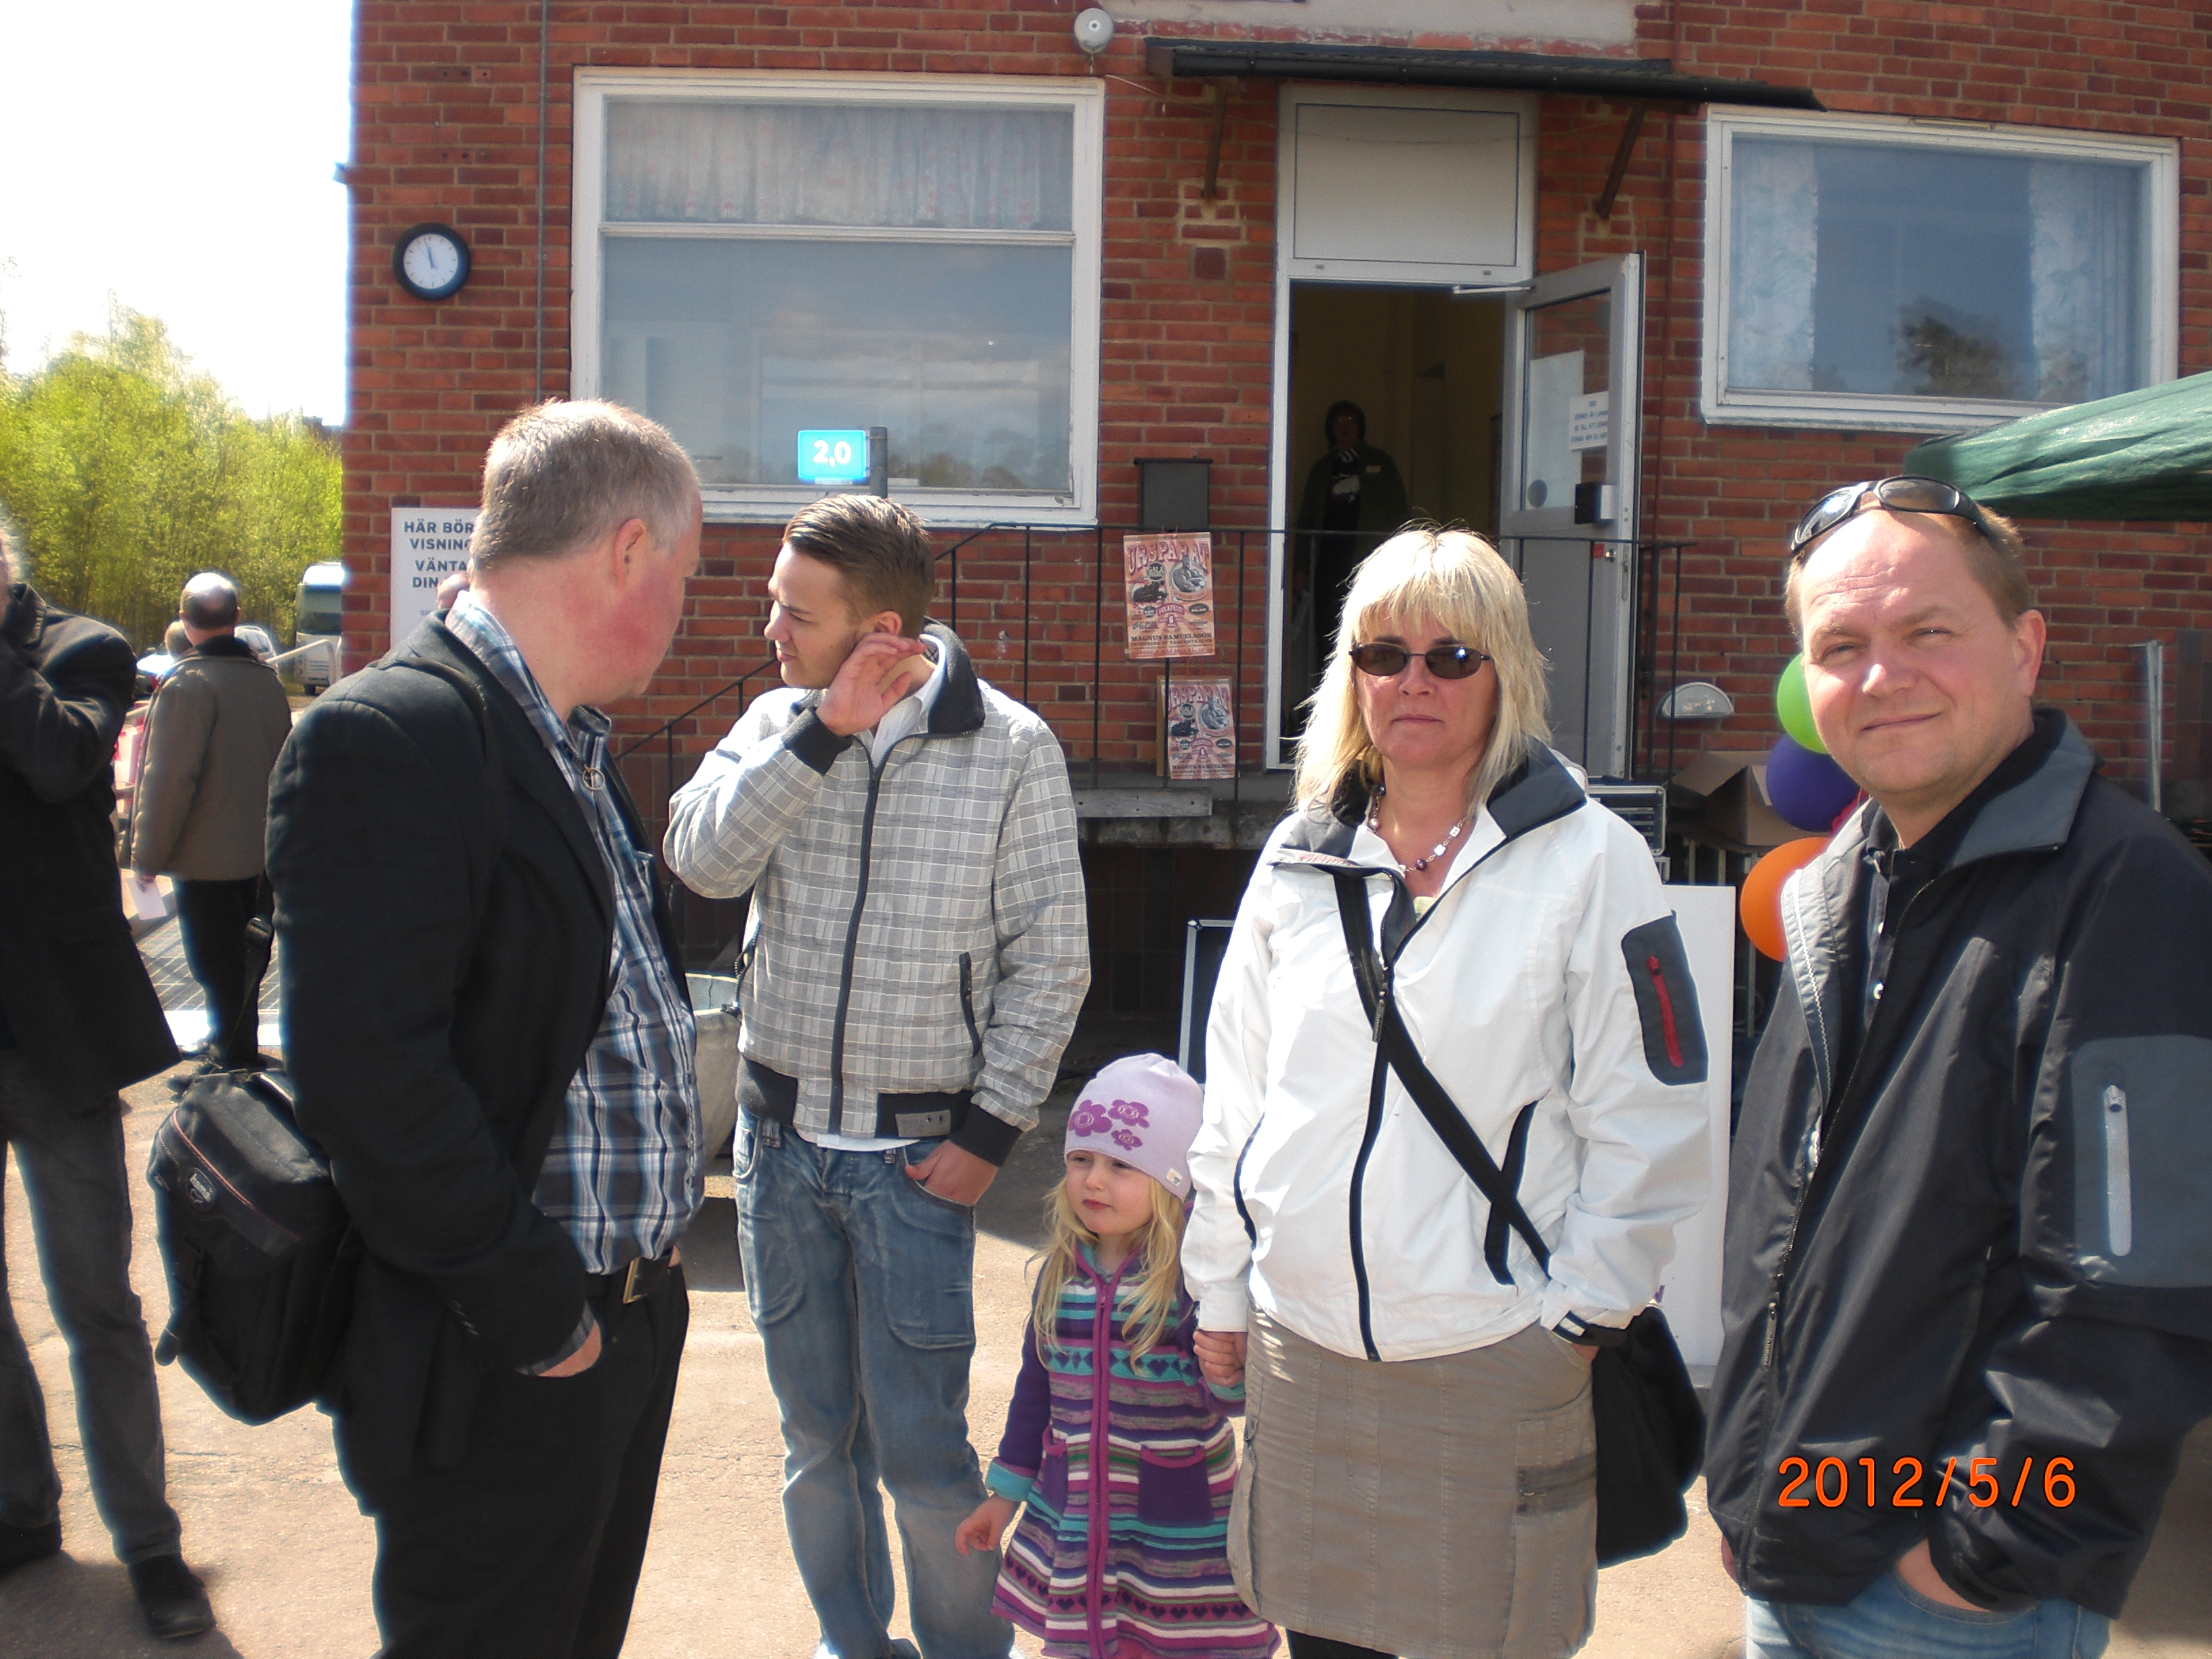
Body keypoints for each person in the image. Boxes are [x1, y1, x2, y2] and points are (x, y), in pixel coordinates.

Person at [1704, 476, 2212, 1659]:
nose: (1882, 675)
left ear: (2023, 647)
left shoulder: (2126, 894)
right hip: (1792, 1545)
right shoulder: (1841, 886)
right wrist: (1749, 1478)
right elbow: (1787, 1221)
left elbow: (2133, 1291)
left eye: (1926, 630)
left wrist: (1984, 1555)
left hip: (1946, 1603)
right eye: (1840, 646)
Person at [1183, 526, 1711, 1659]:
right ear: (1351, 675)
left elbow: (1650, 1110)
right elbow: (1236, 1099)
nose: (1412, 680)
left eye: (1451, 656)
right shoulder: (1298, 857)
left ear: (1503, 672)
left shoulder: (1590, 859)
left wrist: (1579, 1317)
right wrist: (1220, 1287)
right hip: (1303, 1352)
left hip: (1492, 1355)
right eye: (1383, 654)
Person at [266, 401, 705, 1658]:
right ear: (627, 551)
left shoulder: (568, 741)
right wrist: (540, 1316)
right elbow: (371, 1081)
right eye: (683, 574)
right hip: (501, 1350)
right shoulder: (393, 733)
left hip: (617, 1324)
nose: (683, 609)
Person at [663, 491, 1089, 1659]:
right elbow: (699, 859)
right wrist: (819, 737)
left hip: (916, 1163)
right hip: (778, 1149)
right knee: (815, 1441)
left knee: (920, 1452)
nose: (769, 630)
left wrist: (989, 1135)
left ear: (880, 630)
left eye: (794, 613)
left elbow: (1052, 957)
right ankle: (853, 1643)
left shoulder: (1010, 749)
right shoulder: (776, 721)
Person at [0, 522, 213, 1639]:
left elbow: (57, 761)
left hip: (58, 1037)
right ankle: (20, 1509)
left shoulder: (81, 650)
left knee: (95, 1298)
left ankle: (151, 1545)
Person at [954, 1054, 1277, 1659]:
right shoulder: (1060, 1275)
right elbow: (1035, 1395)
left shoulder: (1193, 1283)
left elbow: (1227, 1401)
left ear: (1173, 1182)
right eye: (1081, 1160)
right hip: (1076, 1514)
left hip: (1175, 1535)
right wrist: (1005, 1496)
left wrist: (1226, 1370)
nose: (1093, 1181)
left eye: (1122, 1165)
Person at [129, 571, 294, 1060]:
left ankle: (230, 1054)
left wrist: (146, 856)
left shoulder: (187, 684)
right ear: (236, 618)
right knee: (247, 957)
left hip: (204, 857)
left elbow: (169, 779)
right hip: (260, 849)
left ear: (184, 619)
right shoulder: (266, 681)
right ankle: (234, 1044)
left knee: (213, 962)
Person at [1294, 401, 1409, 674]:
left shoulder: (1381, 463)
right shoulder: (1322, 469)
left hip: (1372, 564)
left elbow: (1400, 515)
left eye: (1350, 421)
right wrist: (1300, 568)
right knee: (1327, 631)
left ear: (1361, 427)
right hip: (1328, 564)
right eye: (1339, 422)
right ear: (1330, 429)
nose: (1345, 428)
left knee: (1370, 628)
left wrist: (1405, 563)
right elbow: (1306, 519)